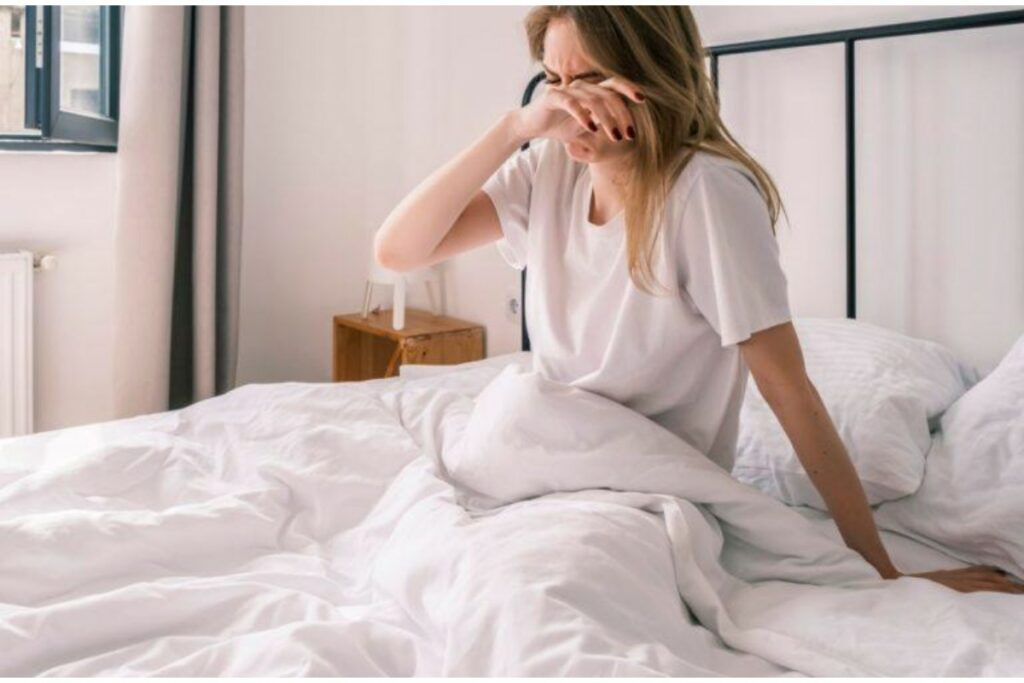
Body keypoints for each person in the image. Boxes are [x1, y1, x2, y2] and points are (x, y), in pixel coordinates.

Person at [373, 6, 1021, 595]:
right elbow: (397, 250)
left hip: (648, 489)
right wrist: (512, 127)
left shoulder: (706, 193)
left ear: (648, 75)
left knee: (535, 592)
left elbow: (789, 390)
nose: (569, 106)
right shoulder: (548, 169)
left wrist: (881, 570)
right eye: (554, 81)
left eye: (589, 79)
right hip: (539, 462)